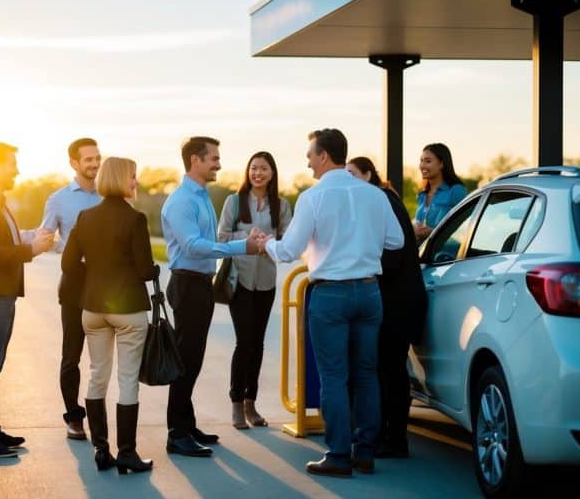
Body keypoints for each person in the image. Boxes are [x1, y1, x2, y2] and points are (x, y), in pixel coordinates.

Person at [260, 129, 404, 477]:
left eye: (310, 154)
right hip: (370, 293)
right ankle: (365, 451)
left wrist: (266, 243)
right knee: (367, 374)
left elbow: (289, 251)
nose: (307, 161)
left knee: (334, 376)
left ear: (324, 155)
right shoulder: (375, 196)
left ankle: (339, 455)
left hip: (330, 295)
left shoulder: (313, 197)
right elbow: (396, 240)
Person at [160, 136, 262, 458]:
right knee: (186, 360)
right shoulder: (181, 201)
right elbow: (192, 246)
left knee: (194, 358)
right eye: (213, 158)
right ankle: (177, 434)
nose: (218, 163)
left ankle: (186, 424)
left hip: (200, 284)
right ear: (195, 160)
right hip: (187, 284)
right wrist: (240, 246)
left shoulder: (202, 196)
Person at [62, 157, 158, 474]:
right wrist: (154, 269)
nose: (136, 182)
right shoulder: (135, 219)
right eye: (133, 176)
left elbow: (67, 264)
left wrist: (94, 274)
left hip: (92, 308)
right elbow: (145, 270)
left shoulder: (85, 217)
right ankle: (127, 453)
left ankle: (101, 449)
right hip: (128, 309)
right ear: (121, 180)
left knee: (97, 375)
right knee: (127, 379)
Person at [0, 142, 54, 458]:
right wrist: (32, 251)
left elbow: (6, 240)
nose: (17, 169)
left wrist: (33, 237)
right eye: (12, 163)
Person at [347, 156, 427, 458]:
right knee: (387, 368)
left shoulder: (381, 199)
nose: (350, 182)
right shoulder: (382, 199)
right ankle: (389, 436)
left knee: (390, 369)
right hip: (397, 298)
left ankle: (394, 439)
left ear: (369, 175)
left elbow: (391, 254)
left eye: (354, 174)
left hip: (398, 300)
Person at [217, 151, 292, 429]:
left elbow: (287, 240)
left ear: (272, 173)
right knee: (244, 341)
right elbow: (222, 237)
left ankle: (251, 403)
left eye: (263, 168)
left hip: (266, 281)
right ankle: (236, 403)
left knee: (258, 343)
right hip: (241, 280)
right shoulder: (234, 202)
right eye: (253, 168)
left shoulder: (281, 204)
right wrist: (247, 239)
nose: (257, 173)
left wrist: (270, 242)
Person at [39, 138, 102, 440]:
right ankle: (74, 417)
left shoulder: (109, 196)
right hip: (75, 281)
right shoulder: (58, 199)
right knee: (72, 355)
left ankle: (99, 415)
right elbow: (46, 237)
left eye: (97, 158)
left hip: (106, 283)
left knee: (102, 356)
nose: (94, 163)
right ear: (74, 163)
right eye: (88, 159)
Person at [413, 142, 467, 242]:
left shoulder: (456, 191)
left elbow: (465, 228)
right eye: (421, 161)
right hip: (422, 253)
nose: (422, 166)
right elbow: (417, 222)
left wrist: (434, 233)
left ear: (441, 164)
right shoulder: (422, 195)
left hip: (446, 255)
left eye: (428, 161)